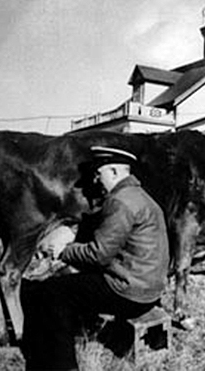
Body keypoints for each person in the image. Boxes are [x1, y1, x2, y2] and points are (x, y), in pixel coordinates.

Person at [21, 146, 170, 370]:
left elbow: (98, 255)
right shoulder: (141, 196)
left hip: (131, 294)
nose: (96, 181)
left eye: (98, 175)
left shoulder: (119, 202)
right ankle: (83, 333)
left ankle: (62, 365)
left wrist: (62, 251)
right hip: (151, 288)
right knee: (77, 284)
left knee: (52, 292)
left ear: (113, 172)